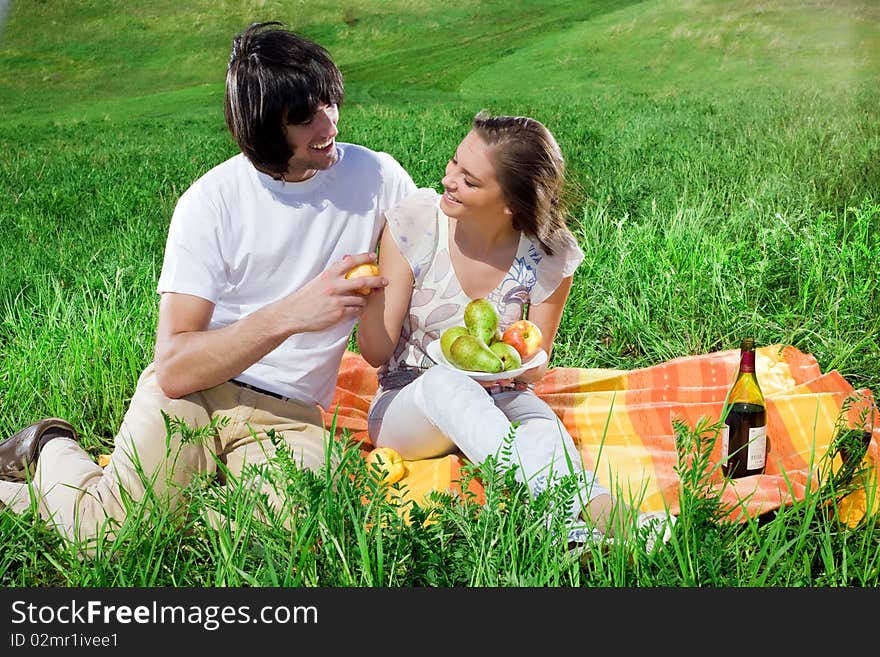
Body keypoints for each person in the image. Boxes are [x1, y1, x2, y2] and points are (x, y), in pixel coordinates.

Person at [0, 22, 416, 548]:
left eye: (329, 101)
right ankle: (51, 446)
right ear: (266, 129)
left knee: (296, 535)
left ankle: (112, 505)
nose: (329, 122)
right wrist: (295, 312)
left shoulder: (378, 178)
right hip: (197, 394)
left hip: (291, 416)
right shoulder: (211, 203)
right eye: (305, 116)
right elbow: (174, 368)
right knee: (107, 540)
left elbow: (431, 244)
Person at [356, 111, 672, 546]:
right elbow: (375, 351)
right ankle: (580, 512)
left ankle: (593, 529)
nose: (449, 179)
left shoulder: (547, 253)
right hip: (408, 404)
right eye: (454, 164)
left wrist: (514, 364)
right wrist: (369, 297)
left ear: (510, 203)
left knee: (545, 432)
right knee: (448, 383)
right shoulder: (417, 223)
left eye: (469, 180)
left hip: (503, 395)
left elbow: (535, 368)